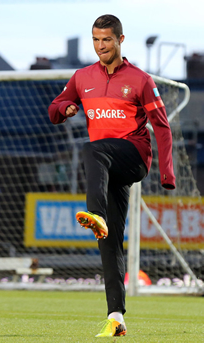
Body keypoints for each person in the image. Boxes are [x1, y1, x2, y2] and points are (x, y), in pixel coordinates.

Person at [48, 14, 175, 337]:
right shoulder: (82, 77)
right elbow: (55, 107)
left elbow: (161, 126)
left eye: (106, 39)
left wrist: (167, 173)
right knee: (109, 242)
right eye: (95, 39)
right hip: (106, 167)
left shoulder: (141, 80)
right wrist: (65, 108)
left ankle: (95, 213)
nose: (100, 46)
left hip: (133, 157)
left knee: (92, 149)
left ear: (120, 40)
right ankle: (116, 316)